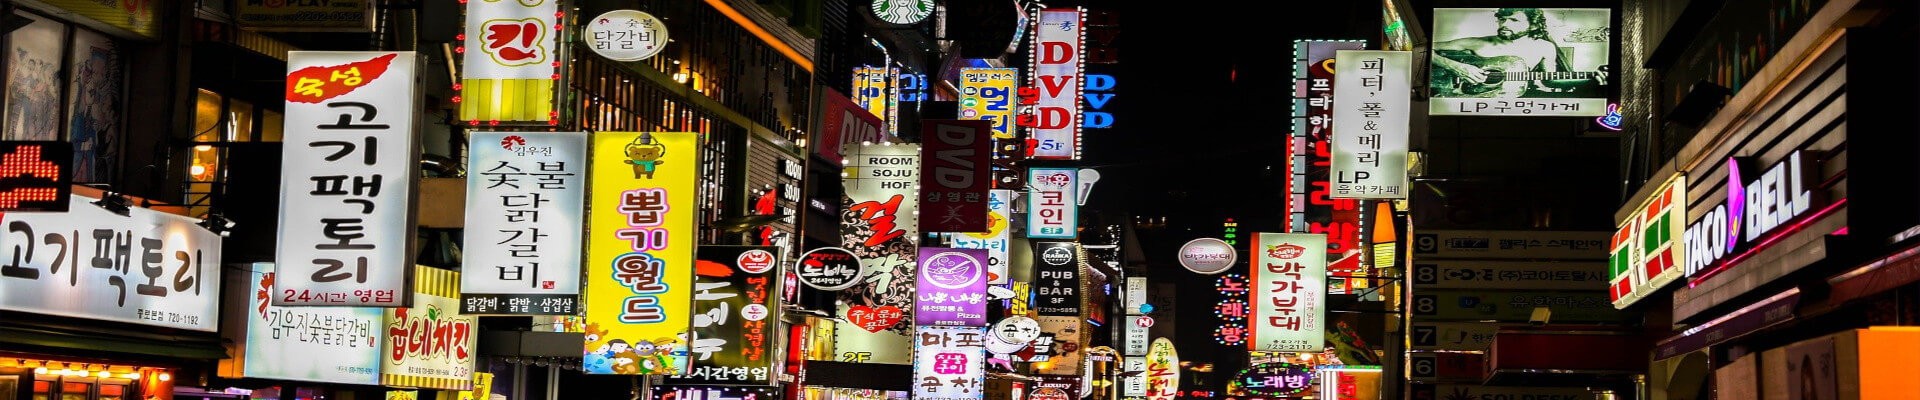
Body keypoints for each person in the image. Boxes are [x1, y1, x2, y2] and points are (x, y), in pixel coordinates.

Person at [1431, 8, 1602, 96]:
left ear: (1533, 25)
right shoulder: (1474, 42)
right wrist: (1454, 66)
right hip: (1462, 98)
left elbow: (1550, 80)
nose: (1504, 24)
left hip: (1507, 101)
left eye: (1514, 20)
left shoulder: (1545, 47)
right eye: (1502, 19)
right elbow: (1422, 50)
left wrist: (1589, 79)